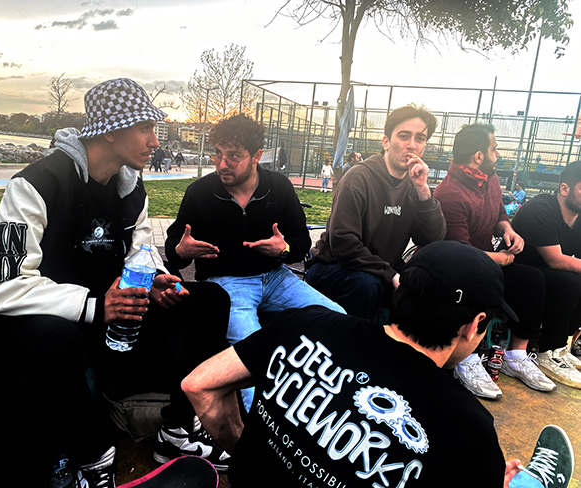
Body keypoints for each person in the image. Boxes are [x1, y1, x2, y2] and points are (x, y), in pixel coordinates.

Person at [0, 78, 231, 487]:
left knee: (209, 299)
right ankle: (92, 459)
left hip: (106, 315)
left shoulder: (131, 188)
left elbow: (139, 253)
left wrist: (156, 280)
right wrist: (93, 306)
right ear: (110, 131)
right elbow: (1, 285)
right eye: (145, 128)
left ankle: (177, 429)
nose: (155, 141)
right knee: (57, 337)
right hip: (37, 322)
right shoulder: (35, 184)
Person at [182, 241, 575, 488]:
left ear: (401, 290)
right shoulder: (468, 427)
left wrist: (250, 452)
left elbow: (199, 385)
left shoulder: (303, 323)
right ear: (475, 325)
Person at [165, 113, 345, 412]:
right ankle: (257, 428)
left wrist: (284, 249)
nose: (222, 164)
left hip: (276, 277)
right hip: (226, 282)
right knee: (251, 349)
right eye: (218, 154)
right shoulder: (199, 193)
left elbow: (301, 241)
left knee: (338, 318)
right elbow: (174, 246)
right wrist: (181, 251)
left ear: (257, 156)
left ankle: (329, 404)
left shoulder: (279, 186)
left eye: (233, 156)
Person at [434, 124, 558, 399]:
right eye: (494, 149)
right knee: (481, 285)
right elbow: (461, 253)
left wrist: (508, 231)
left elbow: (500, 214)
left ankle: (516, 355)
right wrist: (502, 258)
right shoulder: (449, 194)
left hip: (485, 261)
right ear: (478, 156)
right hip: (458, 269)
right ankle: (465, 358)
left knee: (533, 280)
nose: (498, 154)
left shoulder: (489, 179)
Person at [306, 104, 446, 319]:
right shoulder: (358, 178)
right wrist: (389, 274)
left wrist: (423, 191)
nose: (412, 145)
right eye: (404, 136)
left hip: (379, 268)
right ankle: (348, 339)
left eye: (420, 138)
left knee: (428, 285)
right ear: (386, 142)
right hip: (332, 267)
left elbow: (431, 238)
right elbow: (343, 243)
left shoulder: (414, 185)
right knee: (367, 284)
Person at [511, 160, 581, 388]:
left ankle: (559, 348)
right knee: (569, 282)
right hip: (517, 274)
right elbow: (555, 260)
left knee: (573, 280)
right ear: (564, 189)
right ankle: (546, 351)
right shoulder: (541, 208)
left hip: (548, 278)